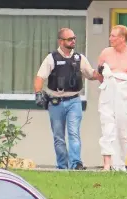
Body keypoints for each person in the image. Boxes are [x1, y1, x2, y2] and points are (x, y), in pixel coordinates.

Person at [33, 28, 102, 170]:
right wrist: (38, 93)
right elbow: (40, 77)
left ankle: (76, 164)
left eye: (74, 38)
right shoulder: (52, 58)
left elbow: (91, 74)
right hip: (55, 103)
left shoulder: (79, 58)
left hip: (74, 101)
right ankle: (62, 166)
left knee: (74, 133)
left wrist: (102, 72)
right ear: (61, 41)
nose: (73, 41)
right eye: (70, 39)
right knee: (58, 137)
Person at [97, 25, 127, 172]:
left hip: (125, 93)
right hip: (108, 91)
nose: (110, 38)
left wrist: (125, 86)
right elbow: (99, 74)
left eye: (113, 36)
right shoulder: (106, 52)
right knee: (107, 126)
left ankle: (120, 164)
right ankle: (107, 164)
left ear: (122, 38)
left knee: (122, 129)